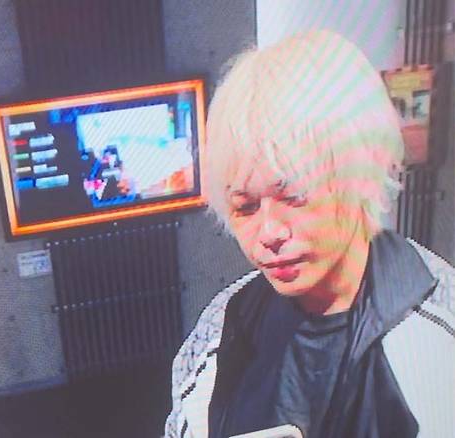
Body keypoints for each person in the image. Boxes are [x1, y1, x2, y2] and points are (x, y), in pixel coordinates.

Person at [165, 30, 454, 438]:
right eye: (246, 206)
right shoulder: (221, 329)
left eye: (295, 195)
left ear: (361, 173)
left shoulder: (439, 338)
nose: (269, 233)